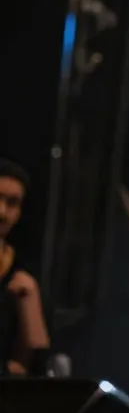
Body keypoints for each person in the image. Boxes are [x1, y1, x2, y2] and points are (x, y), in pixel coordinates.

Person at [0, 159, 53, 377]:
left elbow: (37, 367)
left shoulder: (24, 274)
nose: (2, 212)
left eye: (12, 203)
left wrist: (29, 307)